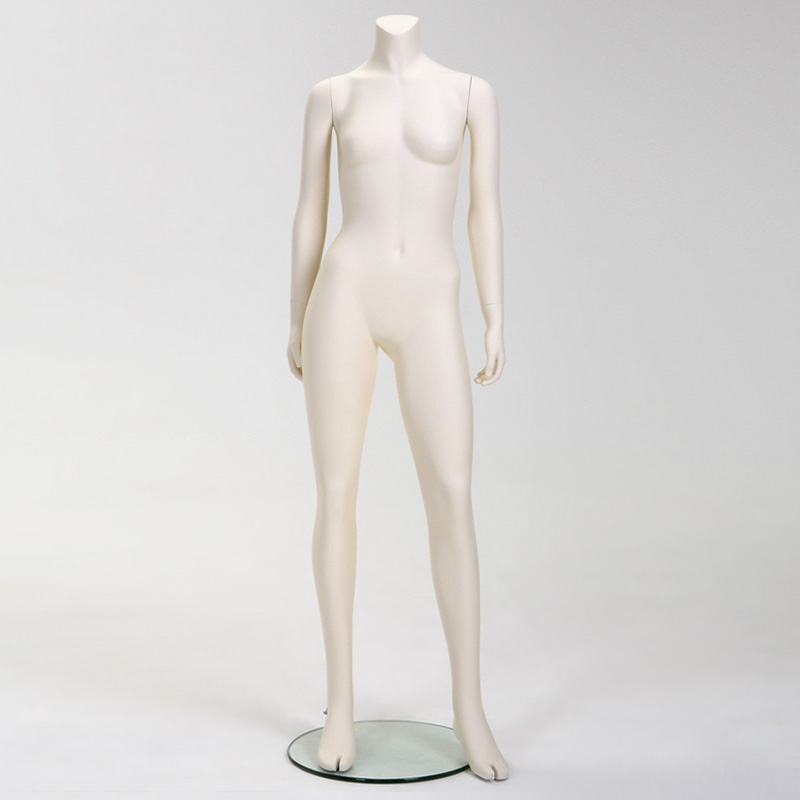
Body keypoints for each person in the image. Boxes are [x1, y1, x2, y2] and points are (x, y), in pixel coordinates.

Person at [287, 14, 509, 781]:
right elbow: (310, 210)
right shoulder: (332, 94)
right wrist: (294, 316)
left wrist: (494, 313)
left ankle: (469, 708)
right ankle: (339, 705)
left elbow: (484, 207)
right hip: (345, 294)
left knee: (452, 493)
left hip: (430, 302)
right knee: (336, 493)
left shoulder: (471, 93)